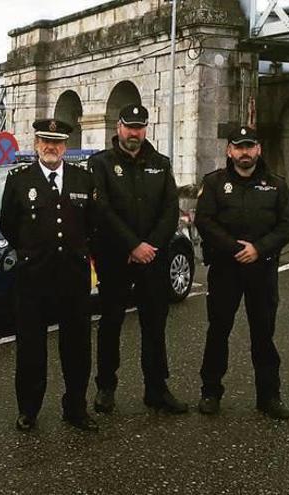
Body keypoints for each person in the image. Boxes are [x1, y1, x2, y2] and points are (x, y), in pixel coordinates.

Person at [0, 119, 98, 432]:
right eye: (45, 141)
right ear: (36, 143)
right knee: (31, 347)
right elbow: (8, 225)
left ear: (65, 146)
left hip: (73, 275)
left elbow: (93, 225)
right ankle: (28, 409)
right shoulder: (19, 179)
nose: (50, 147)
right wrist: (31, 250)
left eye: (56, 142)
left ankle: (76, 407)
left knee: (77, 346)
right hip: (33, 276)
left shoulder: (83, 178)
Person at [91, 104, 188, 414]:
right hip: (115, 258)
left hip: (153, 259)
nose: (134, 133)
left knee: (155, 325)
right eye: (129, 126)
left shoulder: (161, 164)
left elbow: (170, 210)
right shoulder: (100, 164)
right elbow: (102, 211)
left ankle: (156, 388)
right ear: (119, 127)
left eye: (139, 127)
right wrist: (132, 246)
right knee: (111, 324)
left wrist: (150, 247)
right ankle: (106, 387)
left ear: (146, 128)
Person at [194, 126, 289, 419]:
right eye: (238, 147)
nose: (244, 152)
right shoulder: (214, 183)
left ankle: (269, 397)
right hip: (225, 269)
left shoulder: (276, 185)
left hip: (261, 271)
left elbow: (287, 225)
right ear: (229, 151)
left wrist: (259, 249)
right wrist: (234, 248)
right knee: (218, 331)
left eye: (249, 146)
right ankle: (210, 392)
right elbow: (205, 220)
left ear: (258, 150)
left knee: (263, 335)